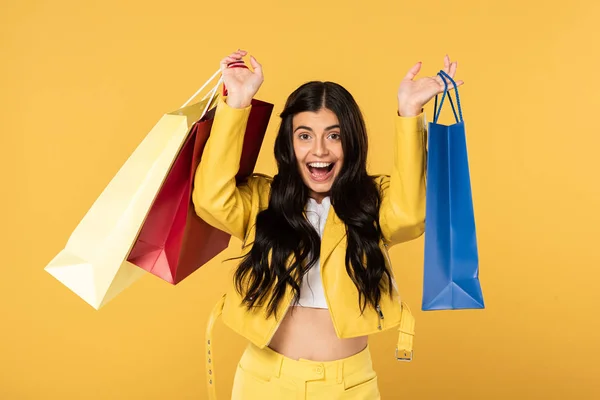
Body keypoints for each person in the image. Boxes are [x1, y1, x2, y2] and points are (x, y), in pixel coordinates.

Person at [193, 49, 463, 399]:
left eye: (333, 136)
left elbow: (412, 215)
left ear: (351, 142)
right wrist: (238, 103)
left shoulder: (373, 202)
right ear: (289, 144)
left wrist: (409, 113)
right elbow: (210, 200)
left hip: (350, 386)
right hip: (263, 382)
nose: (319, 150)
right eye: (304, 136)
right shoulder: (263, 200)